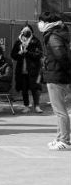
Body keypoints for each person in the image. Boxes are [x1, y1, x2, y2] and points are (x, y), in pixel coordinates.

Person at [38, 12, 71, 151]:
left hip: (56, 75)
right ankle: (60, 137)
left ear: (48, 23)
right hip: (57, 74)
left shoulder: (53, 37)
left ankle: (65, 140)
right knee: (60, 110)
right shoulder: (57, 34)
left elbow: (61, 56)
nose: (39, 24)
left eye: (41, 21)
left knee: (60, 110)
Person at [11, 24, 43, 114]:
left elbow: (39, 54)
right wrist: (19, 53)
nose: (26, 32)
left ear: (31, 31)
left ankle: (37, 106)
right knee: (24, 88)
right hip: (22, 70)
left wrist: (27, 52)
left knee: (35, 88)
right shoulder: (18, 41)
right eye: (24, 31)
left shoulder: (35, 41)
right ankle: (26, 105)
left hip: (33, 69)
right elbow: (13, 55)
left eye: (28, 30)